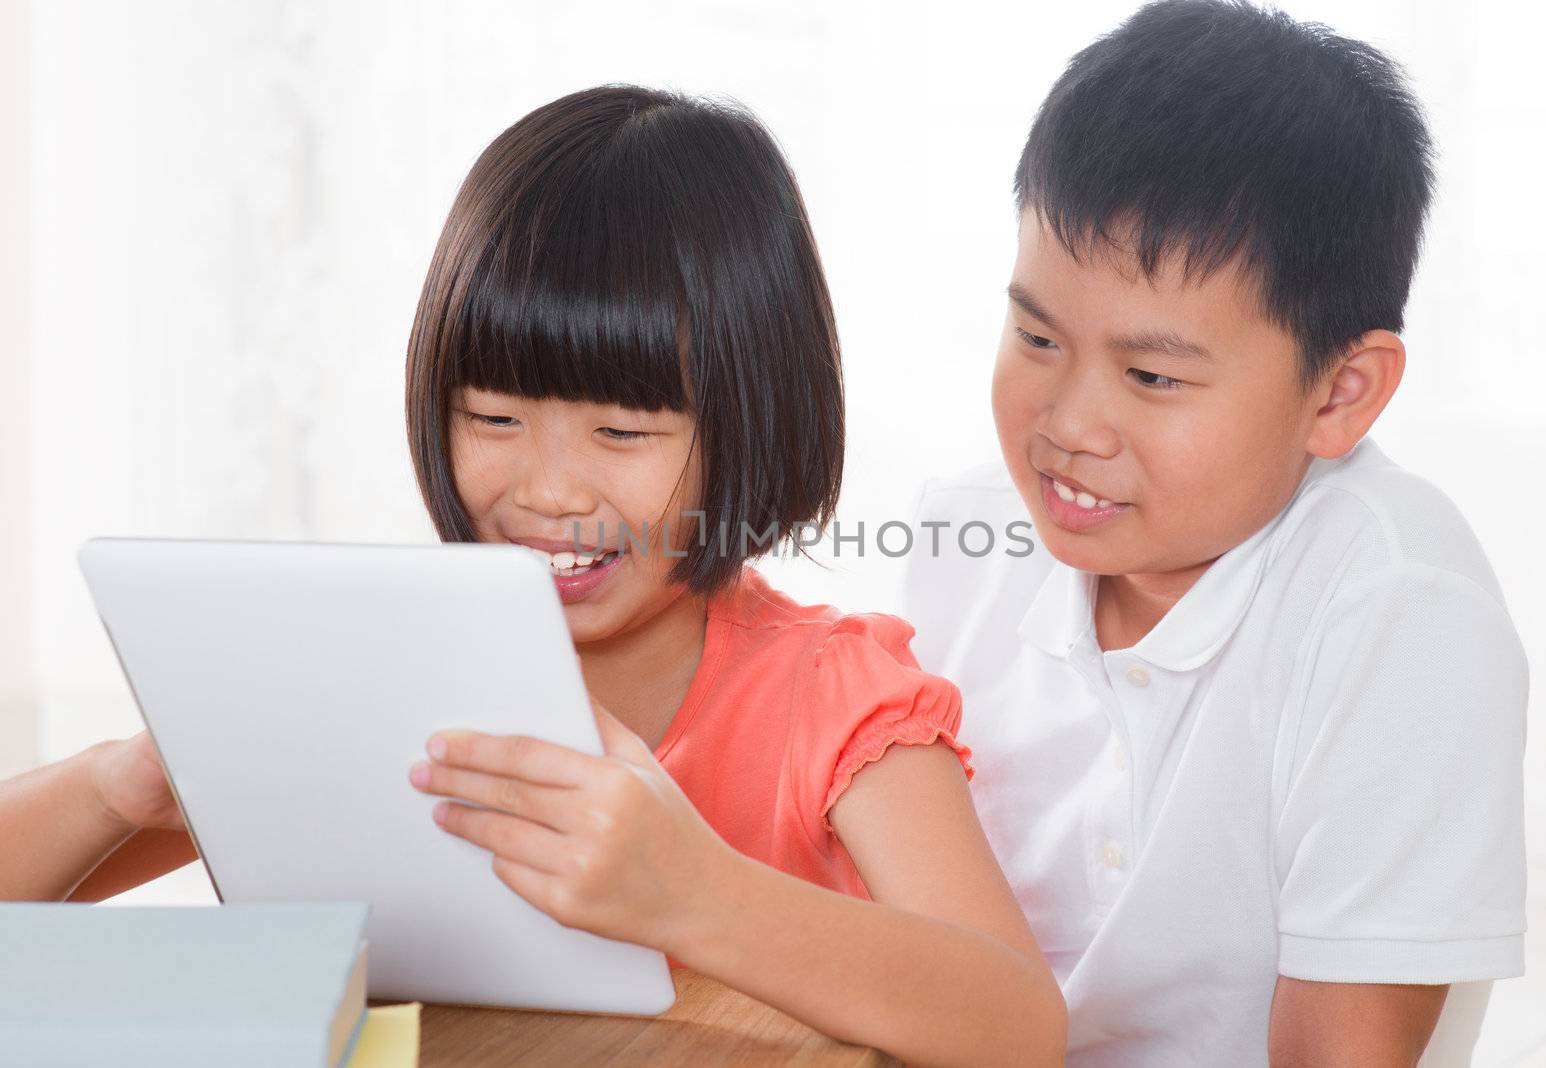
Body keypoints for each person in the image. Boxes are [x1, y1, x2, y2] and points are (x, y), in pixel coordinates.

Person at [2, 86, 1066, 1066]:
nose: (548, 491)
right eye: (494, 418)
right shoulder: (385, 673)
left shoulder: (831, 698)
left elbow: (1016, 1023)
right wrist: (115, 787)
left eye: (621, 428)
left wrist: (696, 896)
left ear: (757, 425)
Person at [899, 2, 1527, 1064]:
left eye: (1152, 376)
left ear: (1342, 392)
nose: (1067, 426)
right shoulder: (966, 534)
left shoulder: (1397, 609)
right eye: (1035, 335)